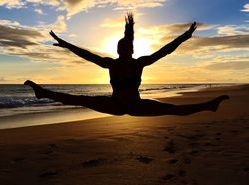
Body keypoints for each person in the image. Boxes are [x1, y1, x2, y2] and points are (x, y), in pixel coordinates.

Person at [24, 13, 229, 116]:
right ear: (118, 50)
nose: (125, 50)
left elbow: (165, 50)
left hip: (137, 106)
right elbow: (86, 54)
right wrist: (65, 44)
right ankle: (43, 93)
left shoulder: (140, 63)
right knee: (78, 99)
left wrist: (185, 36)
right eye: (122, 47)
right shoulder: (110, 64)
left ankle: (209, 105)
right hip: (114, 105)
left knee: (172, 109)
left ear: (131, 50)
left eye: (128, 47)